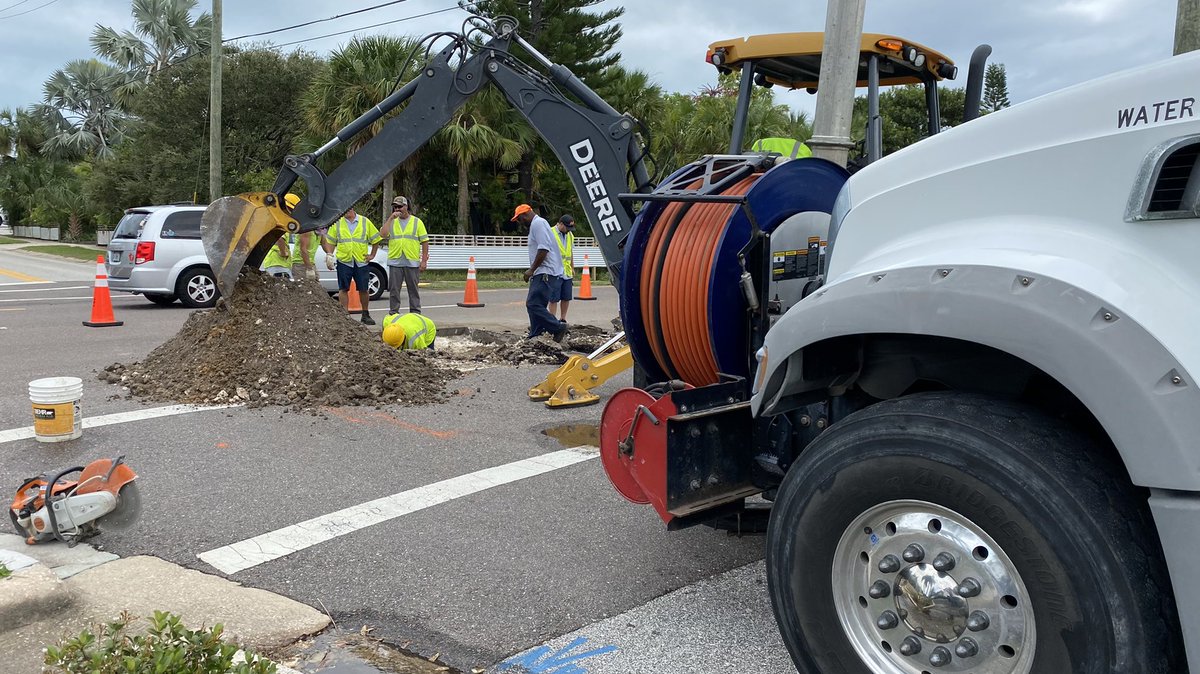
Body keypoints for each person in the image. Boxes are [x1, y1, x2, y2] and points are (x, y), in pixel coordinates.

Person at [513, 203, 567, 341]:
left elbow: (543, 249)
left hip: (545, 272)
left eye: (519, 219)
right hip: (544, 272)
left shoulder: (538, 224)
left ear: (524, 215)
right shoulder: (537, 225)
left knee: (533, 304)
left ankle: (557, 327)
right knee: (537, 305)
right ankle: (535, 334)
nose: (520, 223)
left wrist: (531, 270)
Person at [323, 205, 381, 324]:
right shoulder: (337, 223)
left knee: (364, 288)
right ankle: (345, 316)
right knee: (343, 288)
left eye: (347, 209)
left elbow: (376, 239)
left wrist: (372, 255)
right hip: (344, 260)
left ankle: (365, 314)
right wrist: (329, 254)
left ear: (352, 209)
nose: (345, 212)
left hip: (361, 261)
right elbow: (331, 241)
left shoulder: (365, 222)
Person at [381, 196, 429, 314]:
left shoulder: (416, 222)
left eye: (400, 207)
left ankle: (415, 313)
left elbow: (425, 241)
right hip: (395, 261)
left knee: (413, 290)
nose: (397, 209)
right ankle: (393, 313)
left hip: (411, 261)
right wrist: (390, 218)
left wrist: (423, 261)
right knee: (394, 290)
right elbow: (383, 234)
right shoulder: (392, 222)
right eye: (395, 207)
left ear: (406, 207)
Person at [548, 214, 575, 322]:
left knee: (566, 297)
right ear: (561, 224)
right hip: (554, 271)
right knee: (553, 298)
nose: (569, 230)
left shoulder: (570, 235)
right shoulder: (550, 233)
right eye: (567, 228)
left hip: (566, 271)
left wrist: (572, 267)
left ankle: (563, 319)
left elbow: (570, 252)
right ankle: (552, 320)